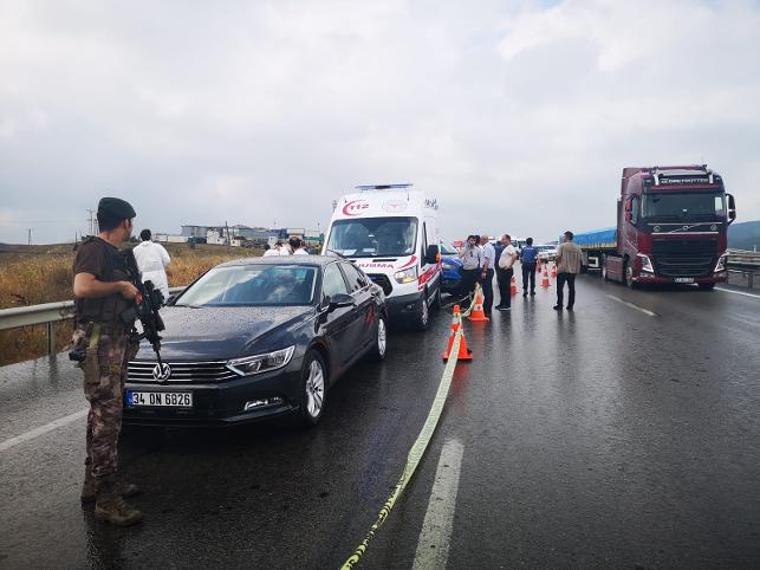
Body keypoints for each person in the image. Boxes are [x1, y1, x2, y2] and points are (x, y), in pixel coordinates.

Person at [70, 197, 143, 526]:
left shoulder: (115, 254)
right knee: (107, 418)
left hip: (114, 339)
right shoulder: (94, 249)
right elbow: (82, 287)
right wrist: (121, 286)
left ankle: (95, 483)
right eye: (131, 221)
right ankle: (106, 498)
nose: (132, 227)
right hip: (100, 342)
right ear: (125, 222)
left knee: (101, 414)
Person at [133, 229, 171, 301]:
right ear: (150, 236)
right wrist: (160, 267)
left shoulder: (136, 250)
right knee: (163, 298)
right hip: (159, 277)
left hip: (144, 278)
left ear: (141, 238)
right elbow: (167, 260)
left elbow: (133, 266)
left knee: (147, 300)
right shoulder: (158, 247)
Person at [554, 230, 583, 311]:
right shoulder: (577, 247)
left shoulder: (562, 246)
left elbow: (558, 257)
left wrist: (557, 265)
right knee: (571, 288)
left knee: (560, 288)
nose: (563, 238)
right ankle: (570, 305)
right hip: (573, 271)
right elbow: (581, 260)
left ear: (567, 237)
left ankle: (560, 305)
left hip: (563, 269)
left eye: (564, 237)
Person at [495, 234, 518, 311]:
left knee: (505, 288)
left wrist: (509, 265)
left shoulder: (510, 247)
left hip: (506, 270)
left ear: (508, 240)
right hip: (502, 270)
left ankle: (507, 305)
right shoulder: (506, 248)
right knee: (501, 287)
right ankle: (502, 303)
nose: (502, 241)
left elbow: (514, 256)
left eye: (504, 239)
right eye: (502, 239)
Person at [458, 235, 482, 302]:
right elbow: (460, 256)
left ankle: (474, 303)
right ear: (468, 241)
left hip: (474, 271)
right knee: (465, 289)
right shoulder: (464, 249)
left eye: (474, 240)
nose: (473, 242)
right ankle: (465, 304)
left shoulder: (477, 249)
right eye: (471, 240)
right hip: (466, 271)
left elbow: (481, 259)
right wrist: (466, 248)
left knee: (474, 288)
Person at [479, 235, 496, 316]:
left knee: (487, 290)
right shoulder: (490, 247)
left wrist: (484, 271)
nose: (480, 241)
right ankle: (488, 307)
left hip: (487, 270)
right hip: (489, 270)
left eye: (481, 239)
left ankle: (487, 309)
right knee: (489, 289)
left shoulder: (487, 248)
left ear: (484, 240)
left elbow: (486, 260)